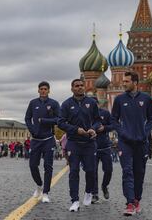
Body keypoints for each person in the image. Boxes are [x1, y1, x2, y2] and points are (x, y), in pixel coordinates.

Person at [111, 71, 152, 216]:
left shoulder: (146, 99)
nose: (124, 84)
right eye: (123, 81)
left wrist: (145, 132)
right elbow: (114, 120)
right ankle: (129, 203)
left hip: (141, 142)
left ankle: (137, 200)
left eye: (127, 81)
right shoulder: (119, 99)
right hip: (125, 142)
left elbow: (151, 118)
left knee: (139, 173)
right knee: (127, 171)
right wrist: (121, 132)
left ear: (135, 83)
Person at [58, 79, 101, 212]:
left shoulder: (92, 102)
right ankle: (75, 200)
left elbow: (98, 120)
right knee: (74, 172)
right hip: (73, 142)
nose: (80, 88)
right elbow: (61, 122)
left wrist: (93, 128)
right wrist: (75, 129)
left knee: (90, 171)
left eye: (82, 86)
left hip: (89, 143)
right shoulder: (66, 104)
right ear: (72, 89)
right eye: (77, 86)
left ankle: (88, 191)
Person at [25, 81, 60, 203]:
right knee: (33, 165)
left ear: (49, 90)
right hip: (35, 139)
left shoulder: (54, 103)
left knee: (48, 167)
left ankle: (45, 192)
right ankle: (39, 185)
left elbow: (59, 119)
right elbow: (27, 118)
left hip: (48, 139)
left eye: (46, 89)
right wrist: (32, 129)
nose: (43, 91)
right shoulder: (33, 103)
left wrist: (44, 120)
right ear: (38, 90)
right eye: (41, 89)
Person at [91, 97, 114, 204]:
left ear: (98, 104)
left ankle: (104, 186)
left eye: (95, 104)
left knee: (108, 170)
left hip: (105, 146)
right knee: (93, 172)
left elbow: (113, 125)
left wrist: (104, 128)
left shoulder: (105, 113)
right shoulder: (87, 115)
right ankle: (95, 194)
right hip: (92, 147)